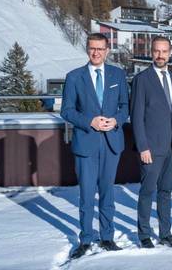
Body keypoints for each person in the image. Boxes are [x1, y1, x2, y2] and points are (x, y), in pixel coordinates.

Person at [61, 33, 129, 258]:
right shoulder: (74, 77)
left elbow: (125, 107)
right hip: (86, 142)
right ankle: (86, 239)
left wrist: (116, 120)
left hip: (111, 143)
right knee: (87, 194)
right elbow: (67, 111)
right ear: (87, 49)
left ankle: (107, 237)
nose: (96, 52)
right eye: (92, 48)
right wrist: (89, 121)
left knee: (108, 193)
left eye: (100, 48)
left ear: (107, 50)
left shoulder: (118, 75)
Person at [131, 36, 172, 249]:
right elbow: (136, 116)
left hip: (171, 146)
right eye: (156, 51)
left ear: (170, 52)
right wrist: (142, 146)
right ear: (151, 52)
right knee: (147, 191)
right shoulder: (142, 79)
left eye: (164, 51)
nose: (160, 55)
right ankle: (144, 234)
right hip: (151, 148)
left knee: (166, 191)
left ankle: (165, 233)